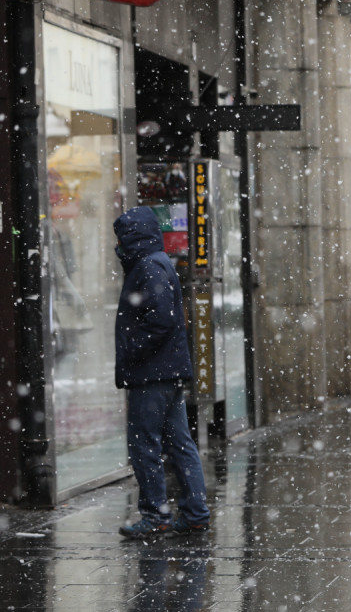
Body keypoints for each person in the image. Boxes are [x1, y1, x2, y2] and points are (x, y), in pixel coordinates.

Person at [114, 206, 210, 539]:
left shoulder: (148, 267)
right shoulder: (156, 263)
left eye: (122, 239)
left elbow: (161, 320)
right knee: (180, 444)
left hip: (152, 375)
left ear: (133, 238)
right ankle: (195, 513)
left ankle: (156, 514)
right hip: (165, 372)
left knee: (144, 445)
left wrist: (133, 351)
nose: (118, 247)